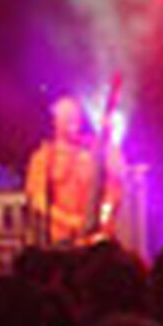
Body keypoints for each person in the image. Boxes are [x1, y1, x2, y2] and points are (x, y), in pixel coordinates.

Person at [25, 97, 123, 246]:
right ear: (55, 121)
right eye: (66, 116)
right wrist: (71, 222)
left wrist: (102, 217)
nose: (72, 119)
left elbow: (115, 186)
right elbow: (38, 200)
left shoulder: (95, 151)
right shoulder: (43, 157)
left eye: (75, 115)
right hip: (61, 241)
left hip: (96, 239)